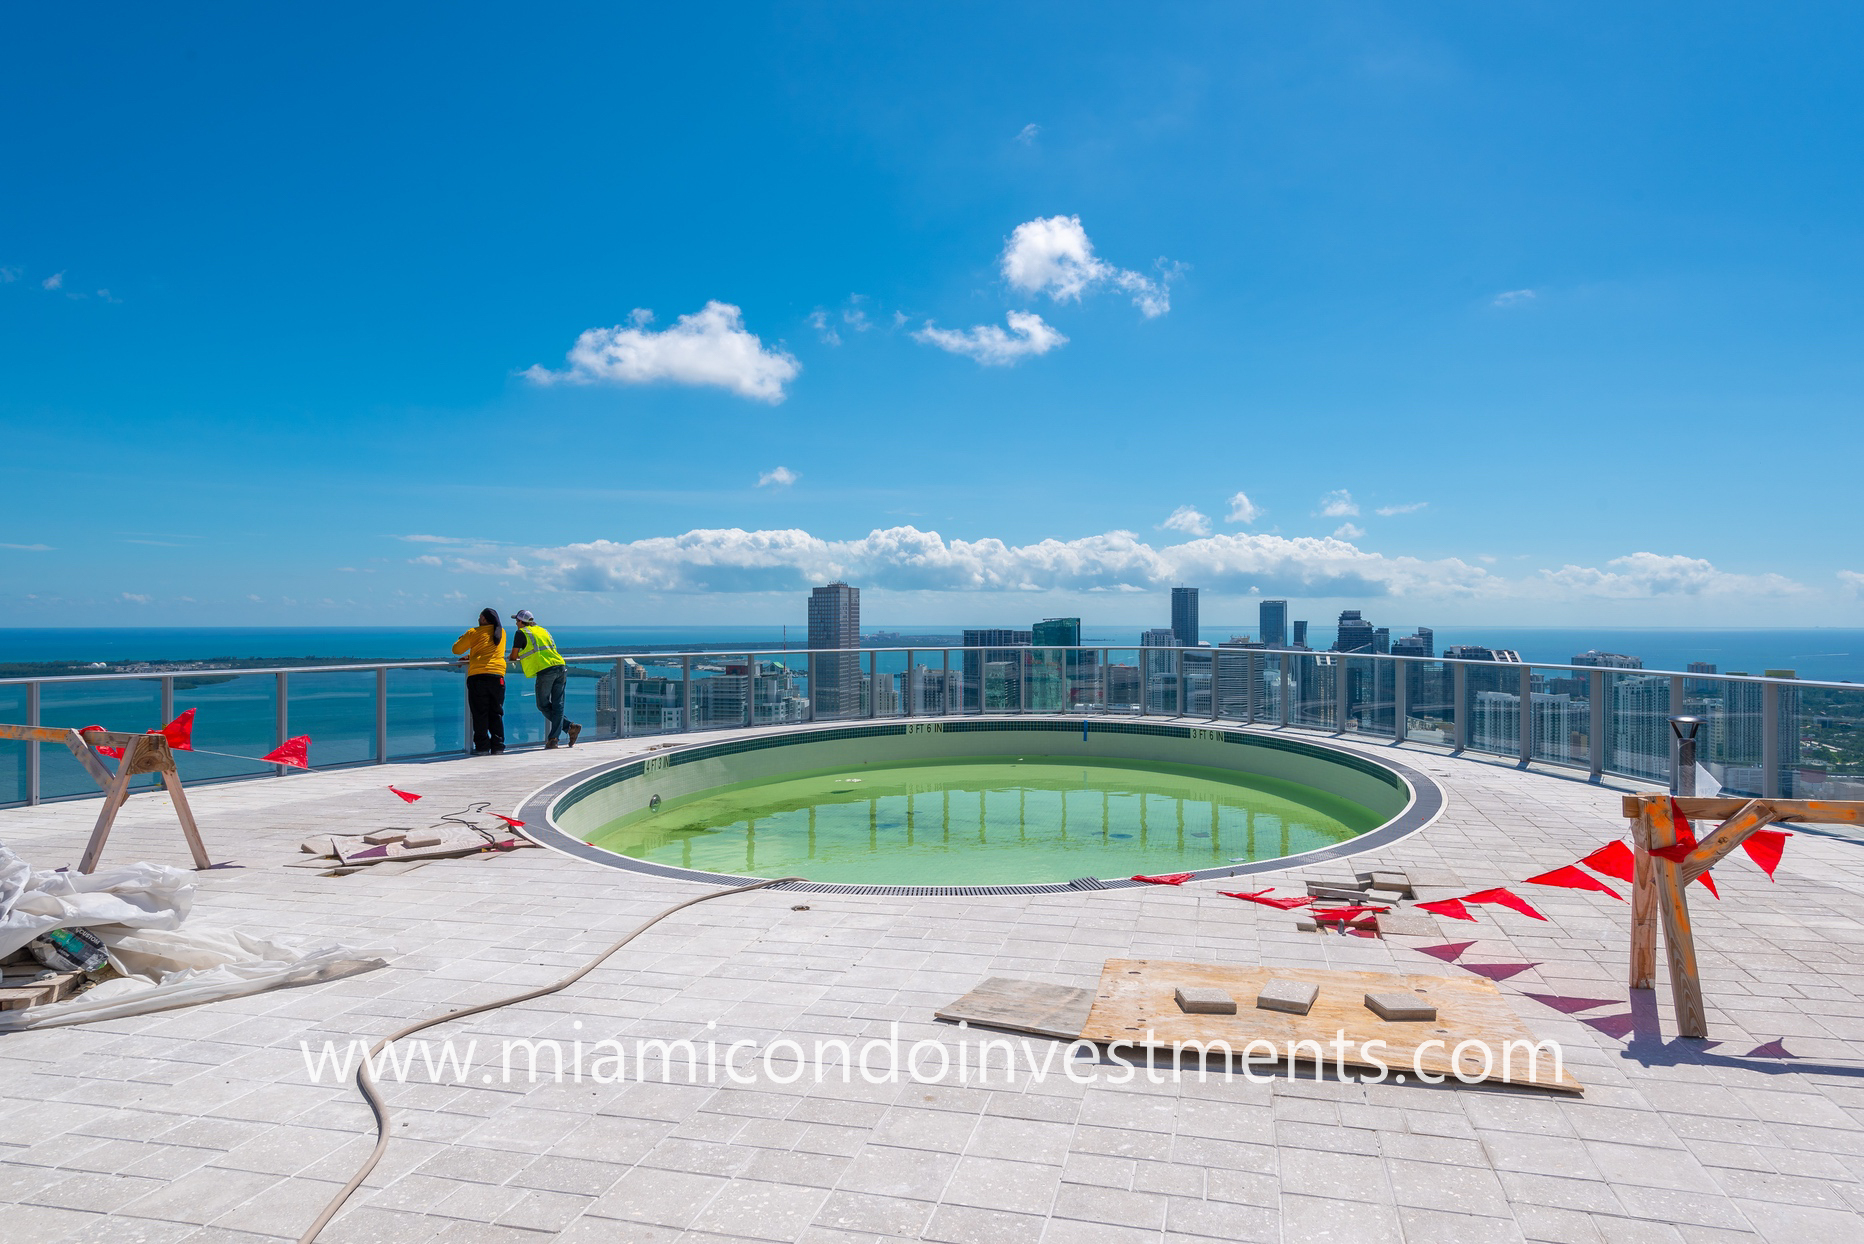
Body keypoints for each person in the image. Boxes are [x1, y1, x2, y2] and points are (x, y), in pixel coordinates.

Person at [509, 609, 582, 749]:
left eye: (516, 621)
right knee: (558, 705)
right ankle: (556, 737)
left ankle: (566, 729)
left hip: (545, 670)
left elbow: (513, 656)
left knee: (543, 704)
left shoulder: (521, 633)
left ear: (520, 621)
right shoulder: (543, 630)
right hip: (560, 666)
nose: (516, 624)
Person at [452, 608, 507, 755]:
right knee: (496, 712)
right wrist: (472, 655)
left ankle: (482, 747)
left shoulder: (473, 632)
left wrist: (463, 639)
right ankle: (498, 746)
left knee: (480, 713)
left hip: (478, 676)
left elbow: (456, 649)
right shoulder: (501, 633)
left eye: (479, 617)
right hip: (497, 676)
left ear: (483, 619)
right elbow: (489, 650)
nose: (478, 619)